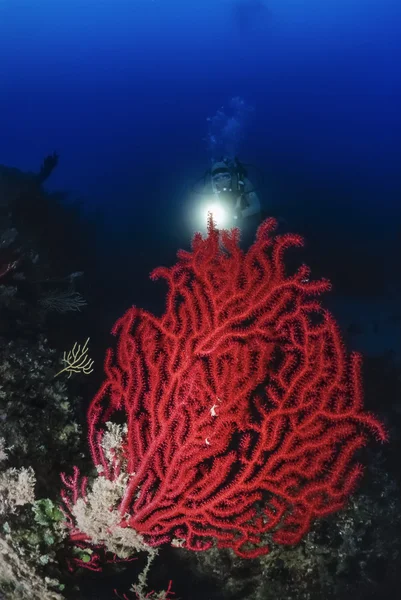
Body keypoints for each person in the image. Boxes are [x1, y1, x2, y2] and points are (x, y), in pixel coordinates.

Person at [194, 156, 261, 230]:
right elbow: (202, 212)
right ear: (213, 181)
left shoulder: (242, 182)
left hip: (247, 221)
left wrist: (240, 214)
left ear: (231, 175)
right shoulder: (208, 189)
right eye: (217, 179)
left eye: (226, 176)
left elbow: (257, 206)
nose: (222, 182)